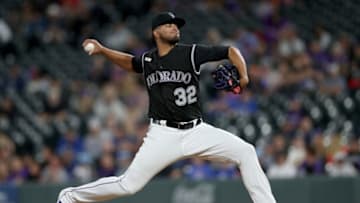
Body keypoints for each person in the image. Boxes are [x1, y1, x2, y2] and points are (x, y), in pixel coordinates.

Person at [57, 12, 276, 203]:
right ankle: (70, 197)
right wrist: (103, 50)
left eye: (175, 25)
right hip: (163, 134)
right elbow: (131, 63)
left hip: (196, 131)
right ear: (156, 33)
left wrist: (244, 75)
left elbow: (230, 51)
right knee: (129, 185)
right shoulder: (149, 60)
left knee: (246, 152)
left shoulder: (190, 53)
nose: (174, 27)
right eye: (168, 24)